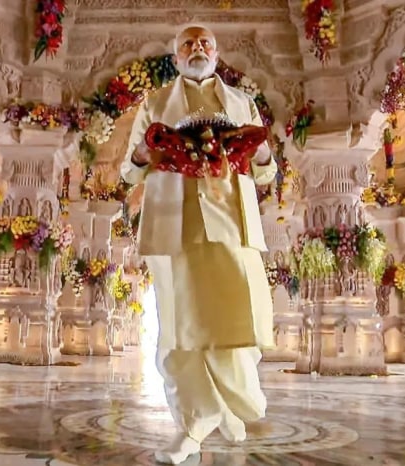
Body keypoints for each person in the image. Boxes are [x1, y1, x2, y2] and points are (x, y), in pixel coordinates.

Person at [120, 25, 277, 465]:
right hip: (175, 224)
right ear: (175, 56)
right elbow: (130, 172)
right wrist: (145, 154)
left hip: (231, 223)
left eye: (204, 43)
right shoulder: (154, 104)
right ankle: (193, 424)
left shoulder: (242, 104)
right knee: (179, 328)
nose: (197, 49)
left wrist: (256, 150)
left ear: (217, 52)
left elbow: (266, 171)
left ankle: (230, 403)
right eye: (188, 44)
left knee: (235, 317)